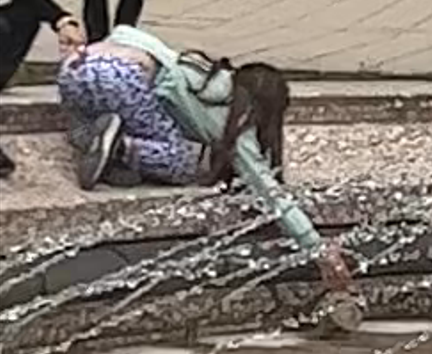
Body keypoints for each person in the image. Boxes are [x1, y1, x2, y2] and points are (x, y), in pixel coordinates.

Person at [51, 28, 350, 296]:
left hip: (74, 68)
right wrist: (317, 247)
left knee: (112, 128)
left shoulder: (194, 67)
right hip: (118, 78)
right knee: (183, 162)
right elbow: (269, 191)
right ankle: (119, 147)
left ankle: (92, 138)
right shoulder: (236, 117)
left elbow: (124, 32)